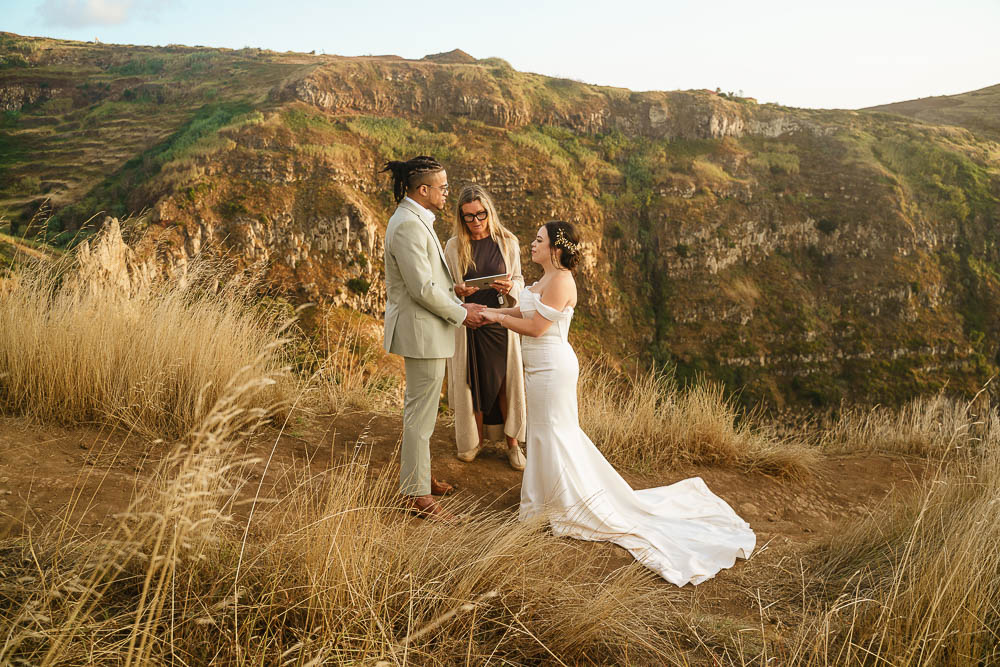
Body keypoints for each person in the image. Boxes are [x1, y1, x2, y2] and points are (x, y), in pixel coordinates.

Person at [481, 221, 755, 585]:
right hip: (539, 367)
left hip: (552, 368)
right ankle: (547, 501)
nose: (532, 244)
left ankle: (551, 505)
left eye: (539, 240)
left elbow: (535, 329)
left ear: (556, 249)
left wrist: (495, 318)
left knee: (552, 433)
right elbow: (526, 314)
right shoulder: (544, 280)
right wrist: (495, 309)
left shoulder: (562, 281)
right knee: (548, 433)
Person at [381, 155, 486, 520]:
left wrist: (452, 287)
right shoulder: (408, 225)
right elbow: (421, 288)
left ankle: (419, 476)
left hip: (426, 329)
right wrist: (462, 313)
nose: (446, 193)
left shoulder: (415, 219)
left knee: (422, 412)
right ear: (423, 190)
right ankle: (416, 494)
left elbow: (427, 279)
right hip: (421, 332)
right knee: (420, 416)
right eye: (442, 188)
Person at [444, 185, 527, 470]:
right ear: (461, 217)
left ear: (489, 212)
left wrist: (511, 285)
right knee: (472, 381)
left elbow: (520, 281)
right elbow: (443, 289)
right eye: (469, 217)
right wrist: (456, 291)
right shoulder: (453, 247)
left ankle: (512, 444)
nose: (476, 222)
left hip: (500, 322)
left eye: (481, 214)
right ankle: (474, 441)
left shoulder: (507, 242)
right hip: (469, 324)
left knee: (505, 381)